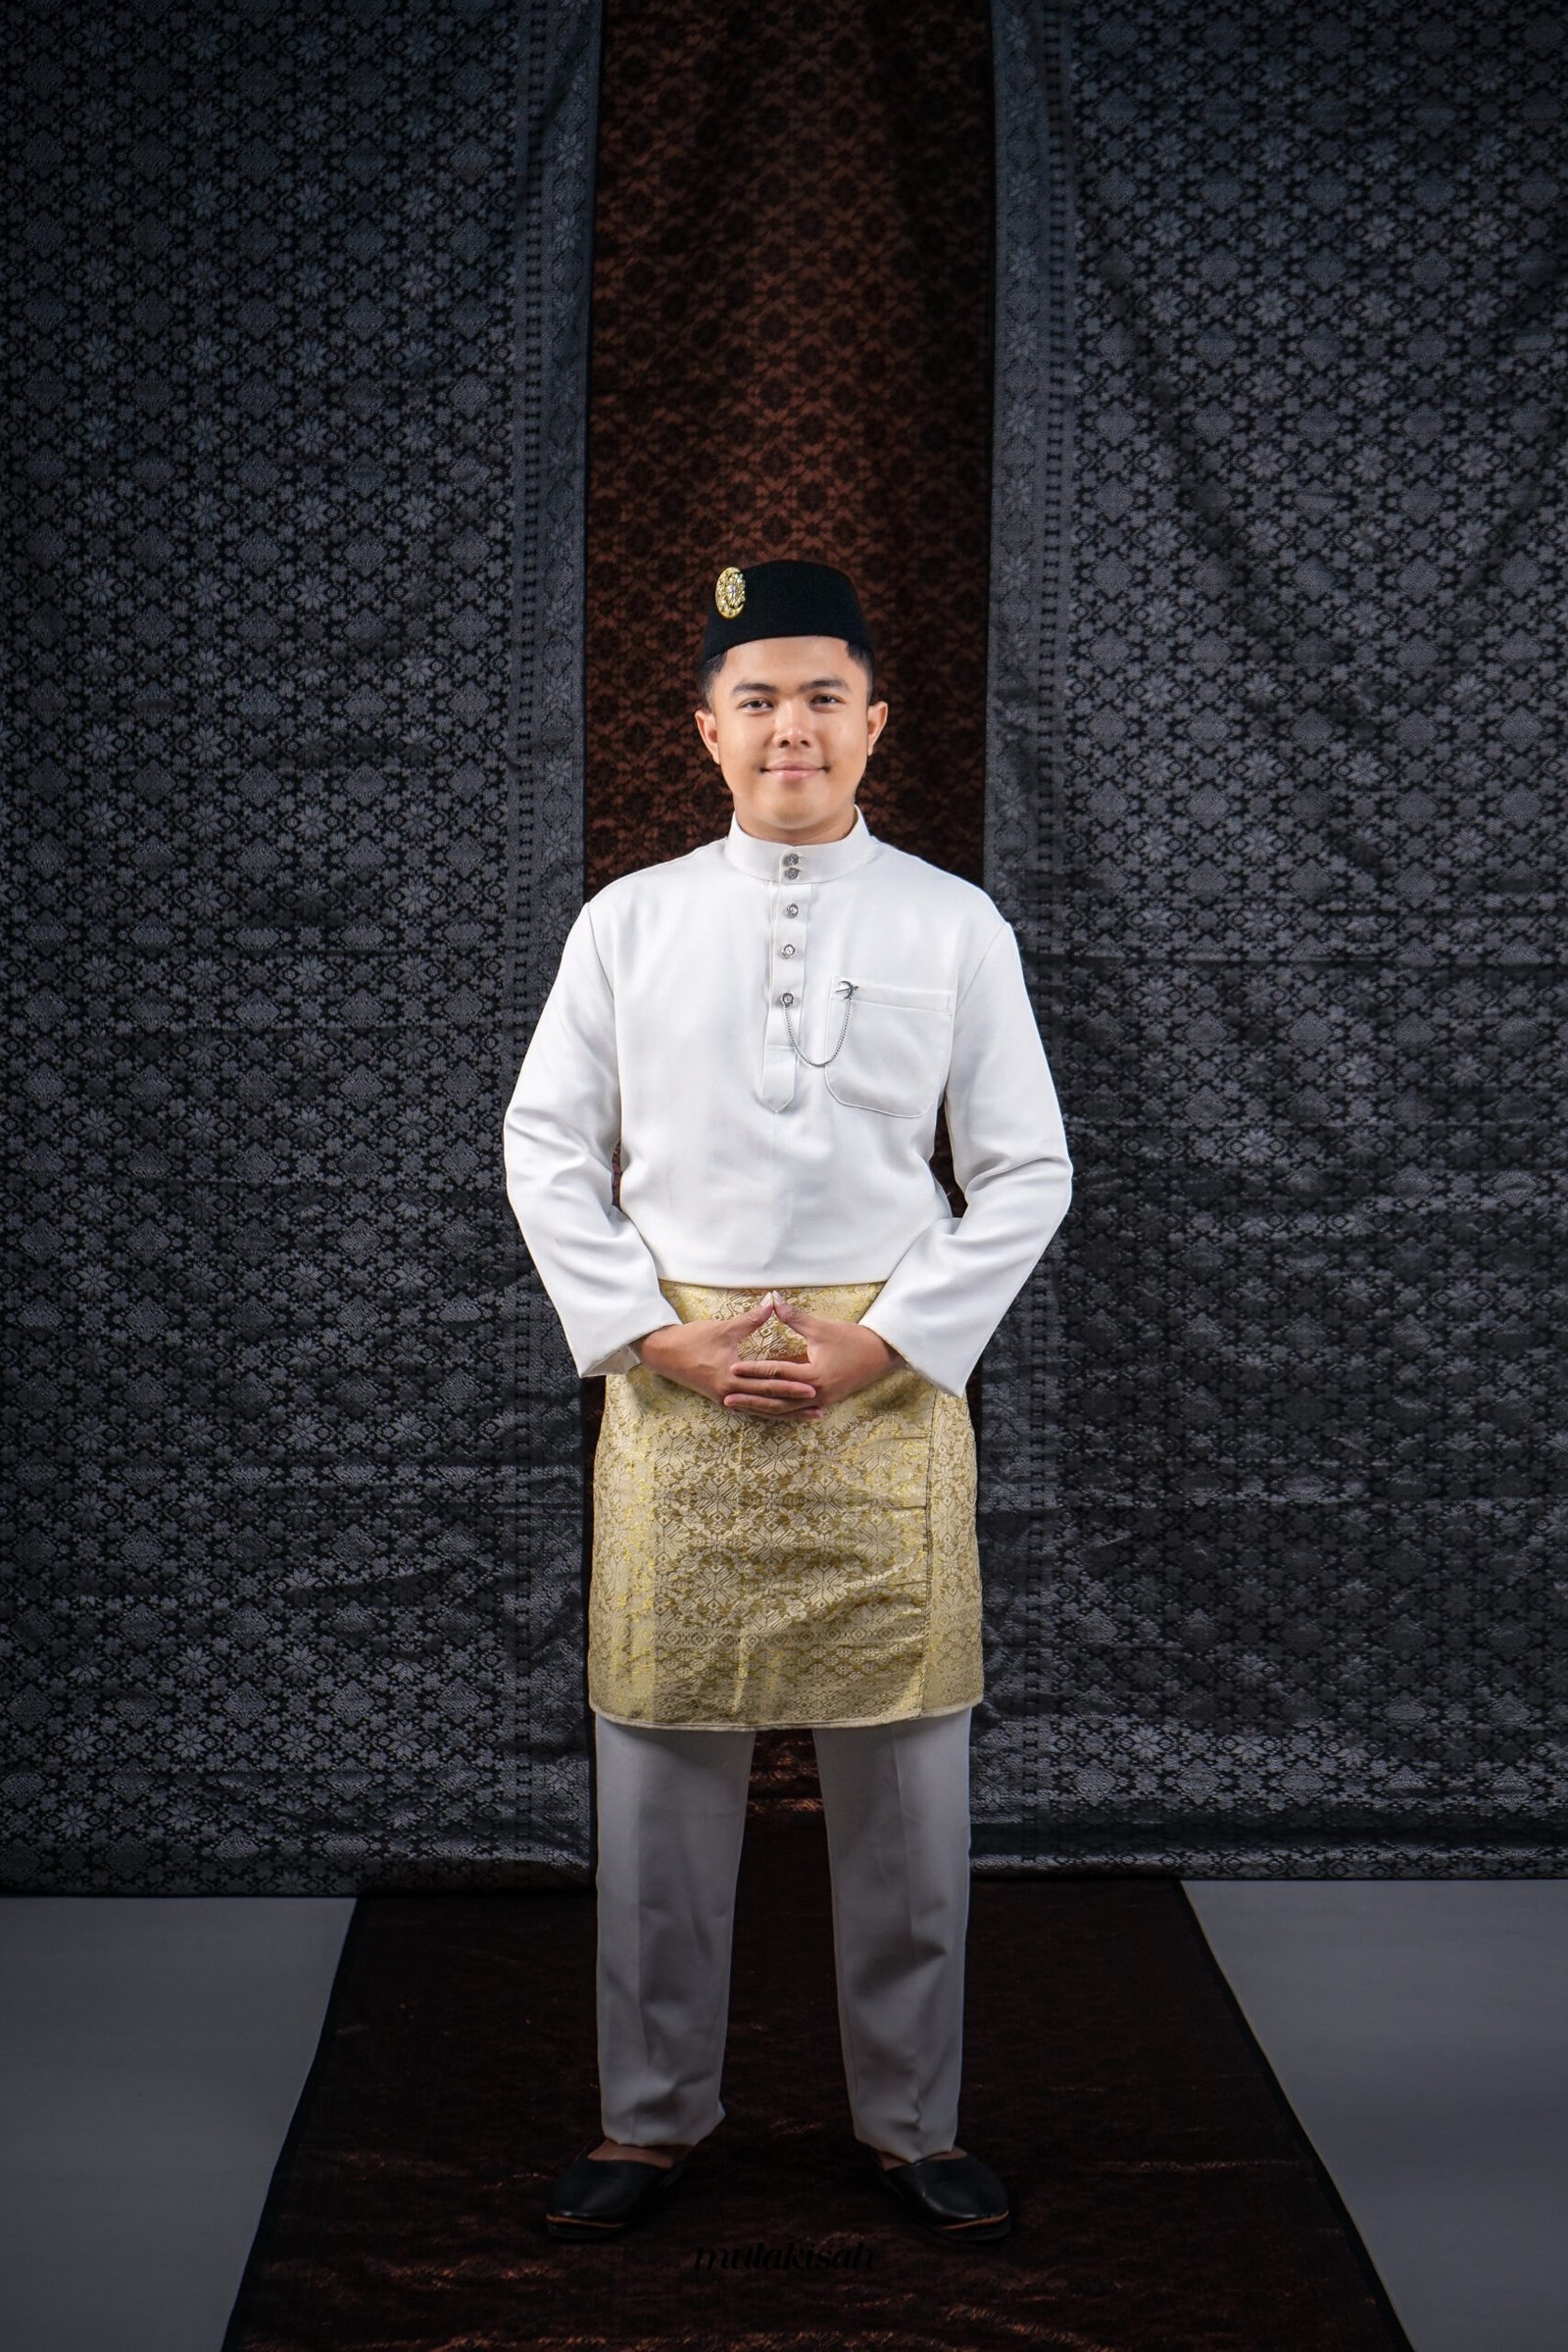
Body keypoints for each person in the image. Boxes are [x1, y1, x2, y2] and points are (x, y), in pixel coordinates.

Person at [503, 558, 1072, 2244]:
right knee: (659, 1778)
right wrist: (647, 1335)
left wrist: (885, 1342)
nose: (791, 728)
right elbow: (546, 1147)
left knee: (906, 1785)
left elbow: (1027, 1169)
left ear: (875, 722)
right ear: (707, 729)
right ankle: (648, 2122)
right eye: (756, 699)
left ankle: (912, 2124)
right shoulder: (628, 922)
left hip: (882, 1393)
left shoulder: (953, 923)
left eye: (824, 696)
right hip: (676, 1392)